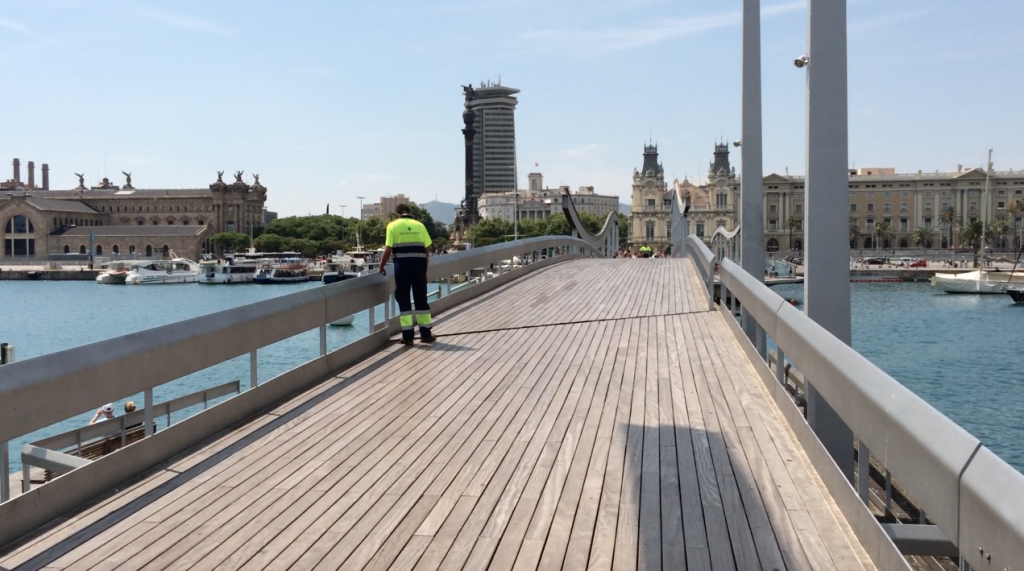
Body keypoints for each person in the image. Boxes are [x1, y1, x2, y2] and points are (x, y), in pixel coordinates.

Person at [379, 204, 435, 345]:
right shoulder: (420, 226)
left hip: (401, 267)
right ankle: (426, 334)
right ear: (410, 212)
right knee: (421, 298)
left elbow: (388, 249)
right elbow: (427, 250)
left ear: (397, 213)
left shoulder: (392, 226)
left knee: (403, 298)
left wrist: (381, 266)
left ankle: (408, 336)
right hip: (419, 267)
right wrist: (425, 271)